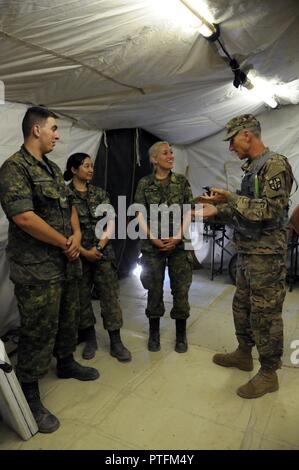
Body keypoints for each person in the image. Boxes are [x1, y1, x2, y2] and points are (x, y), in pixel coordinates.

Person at [0, 107, 99, 434]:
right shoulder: (15, 168)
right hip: (37, 269)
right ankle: (29, 393)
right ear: (37, 129)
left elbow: (69, 205)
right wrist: (63, 242)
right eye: (54, 129)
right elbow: (24, 218)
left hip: (64, 261)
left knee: (68, 316)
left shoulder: (53, 169)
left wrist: (76, 236)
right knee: (37, 329)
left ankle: (66, 362)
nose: (58, 135)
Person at [198, 114, 294, 398]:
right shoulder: (253, 168)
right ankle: (244, 353)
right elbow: (247, 211)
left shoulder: (275, 165)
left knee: (266, 314)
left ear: (247, 136)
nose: (231, 147)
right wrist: (217, 210)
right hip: (248, 252)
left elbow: (270, 210)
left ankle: (269, 373)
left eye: (232, 140)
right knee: (242, 306)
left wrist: (229, 198)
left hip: (267, 256)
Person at [64, 153, 131, 362]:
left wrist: (100, 246)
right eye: (86, 166)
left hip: (102, 254)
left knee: (110, 296)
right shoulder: (65, 195)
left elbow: (111, 221)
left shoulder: (100, 193)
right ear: (74, 170)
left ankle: (116, 341)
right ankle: (90, 338)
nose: (91, 169)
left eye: (92, 166)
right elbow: (64, 227)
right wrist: (85, 252)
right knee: (82, 299)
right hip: (78, 256)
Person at [134, 141, 194, 353]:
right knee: (154, 288)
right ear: (154, 159)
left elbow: (188, 211)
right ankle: (154, 334)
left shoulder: (182, 182)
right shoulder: (144, 184)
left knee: (181, 288)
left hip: (178, 245)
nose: (171, 156)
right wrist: (152, 238)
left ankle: (180, 335)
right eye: (165, 153)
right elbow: (139, 213)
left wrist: (178, 237)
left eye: (171, 153)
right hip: (153, 246)